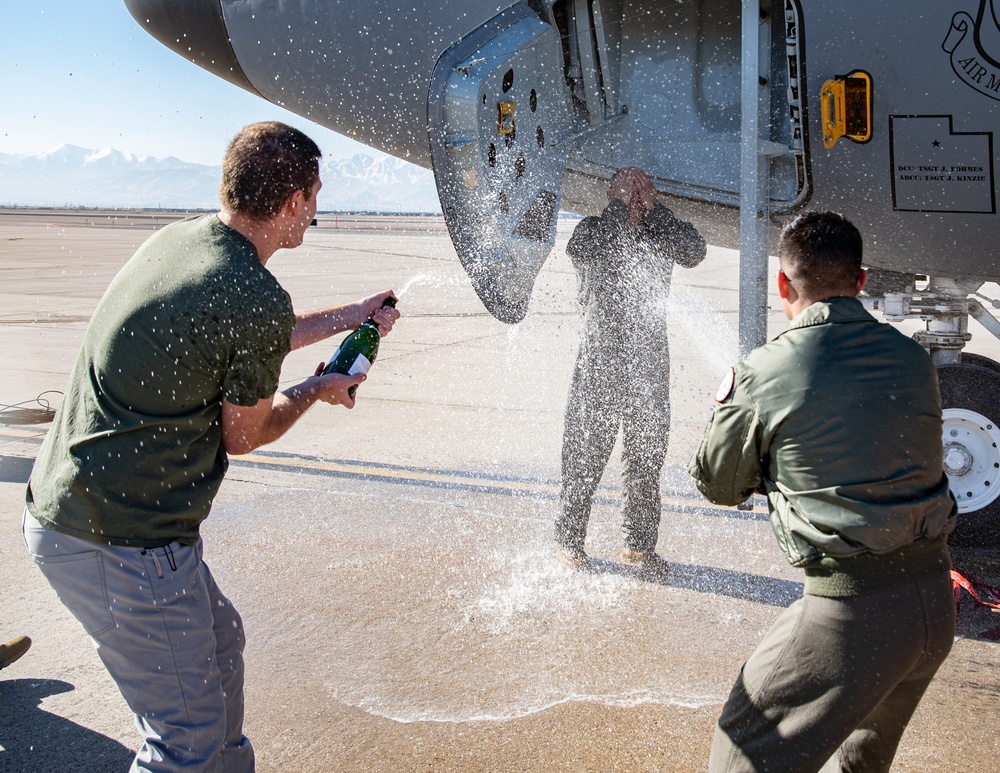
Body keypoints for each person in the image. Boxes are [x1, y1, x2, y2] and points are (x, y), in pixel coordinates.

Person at [22, 121, 399, 772]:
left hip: (77, 513)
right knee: (186, 743)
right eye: (313, 196)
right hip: (121, 538)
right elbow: (245, 434)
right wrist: (318, 387)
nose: (316, 211)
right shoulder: (250, 294)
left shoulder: (185, 242)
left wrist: (351, 315)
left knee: (222, 646)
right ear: (291, 204)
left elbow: (246, 329)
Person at [688, 211, 957, 772]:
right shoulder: (913, 359)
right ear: (861, 281)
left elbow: (717, 484)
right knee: (858, 765)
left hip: (852, 611)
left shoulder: (764, 370)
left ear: (783, 284)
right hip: (932, 606)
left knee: (741, 752)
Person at [556, 167, 706, 573]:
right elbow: (586, 250)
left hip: (650, 361)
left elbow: (694, 251)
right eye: (628, 191)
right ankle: (568, 543)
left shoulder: (662, 231)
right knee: (585, 456)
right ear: (611, 196)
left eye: (645, 191)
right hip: (600, 360)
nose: (637, 198)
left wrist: (654, 211)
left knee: (646, 459)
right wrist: (622, 209)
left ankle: (639, 547)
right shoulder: (593, 229)